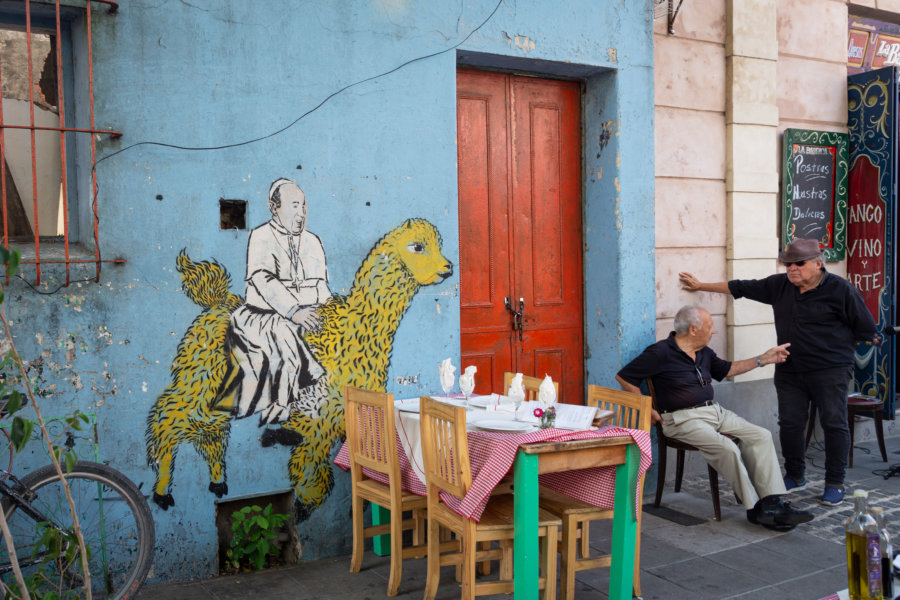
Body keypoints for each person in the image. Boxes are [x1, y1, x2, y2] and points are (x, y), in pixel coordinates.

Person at [679, 237, 878, 506]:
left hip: (830, 371)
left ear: (818, 263)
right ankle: (795, 475)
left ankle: (835, 482)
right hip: (790, 369)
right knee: (790, 423)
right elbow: (741, 287)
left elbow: (865, 331)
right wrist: (701, 285)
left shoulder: (842, 290)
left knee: (834, 423)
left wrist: (833, 353)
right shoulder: (779, 285)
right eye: (787, 264)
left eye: (799, 263)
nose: (792, 269)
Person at [616, 305, 813, 530]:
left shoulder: (704, 352)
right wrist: (645, 407)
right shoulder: (660, 352)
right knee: (727, 448)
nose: (714, 331)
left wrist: (763, 359)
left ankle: (772, 502)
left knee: (760, 435)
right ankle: (757, 509)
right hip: (682, 420)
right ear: (693, 329)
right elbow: (625, 377)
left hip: (715, 412)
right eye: (709, 326)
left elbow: (728, 370)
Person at [230, 178, 331, 429]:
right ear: (274, 207)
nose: (301, 214)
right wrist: (293, 311)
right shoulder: (261, 236)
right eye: (294, 206)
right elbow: (263, 280)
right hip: (265, 315)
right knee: (285, 339)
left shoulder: (313, 241)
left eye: (304, 206)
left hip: (308, 312)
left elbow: (321, 287)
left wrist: (332, 311)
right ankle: (281, 406)